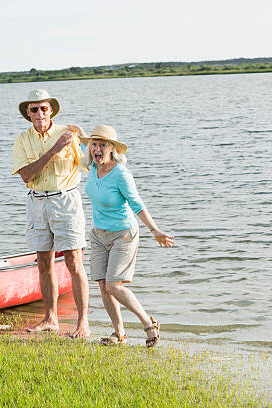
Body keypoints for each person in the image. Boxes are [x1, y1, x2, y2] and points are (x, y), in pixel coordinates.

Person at [79, 124, 175, 347]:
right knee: (103, 285)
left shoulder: (121, 174)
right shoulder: (92, 168)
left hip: (123, 234)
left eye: (103, 144)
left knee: (114, 286)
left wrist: (155, 231)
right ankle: (119, 332)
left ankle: (149, 323)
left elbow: (137, 204)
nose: (97, 149)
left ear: (113, 148)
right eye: (94, 144)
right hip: (98, 235)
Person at [12, 89, 90, 338]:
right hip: (36, 202)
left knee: (74, 261)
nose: (39, 113)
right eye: (34, 109)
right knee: (43, 262)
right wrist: (55, 149)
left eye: (43, 108)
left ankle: (83, 323)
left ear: (51, 110)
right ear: (28, 113)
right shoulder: (23, 139)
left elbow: (89, 164)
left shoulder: (69, 134)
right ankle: (50, 319)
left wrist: (85, 138)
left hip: (66, 200)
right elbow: (26, 175)